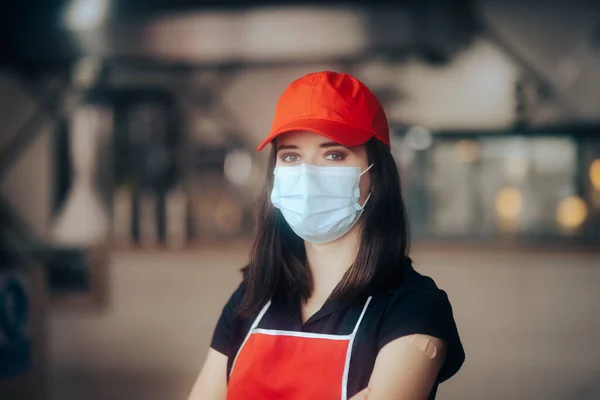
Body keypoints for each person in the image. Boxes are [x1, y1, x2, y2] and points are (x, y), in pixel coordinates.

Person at [189, 71, 465, 400]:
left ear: (375, 173)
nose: (308, 175)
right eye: (291, 156)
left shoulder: (412, 307)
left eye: (334, 154)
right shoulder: (252, 296)